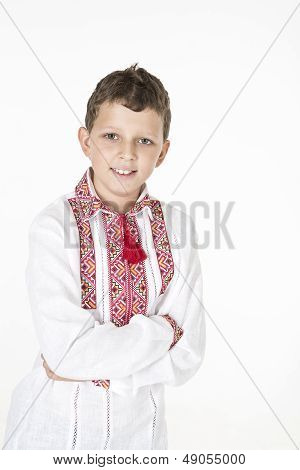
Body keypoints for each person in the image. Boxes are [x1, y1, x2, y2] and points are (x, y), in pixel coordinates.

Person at [2, 63, 206, 450]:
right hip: (53, 436)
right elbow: (66, 352)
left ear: (162, 152)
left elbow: (189, 352)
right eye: (111, 136)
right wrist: (162, 331)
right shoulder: (53, 226)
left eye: (144, 141)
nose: (127, 154)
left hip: (142, 441)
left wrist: (98, 369)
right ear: (85, 141)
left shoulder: (177, 229)